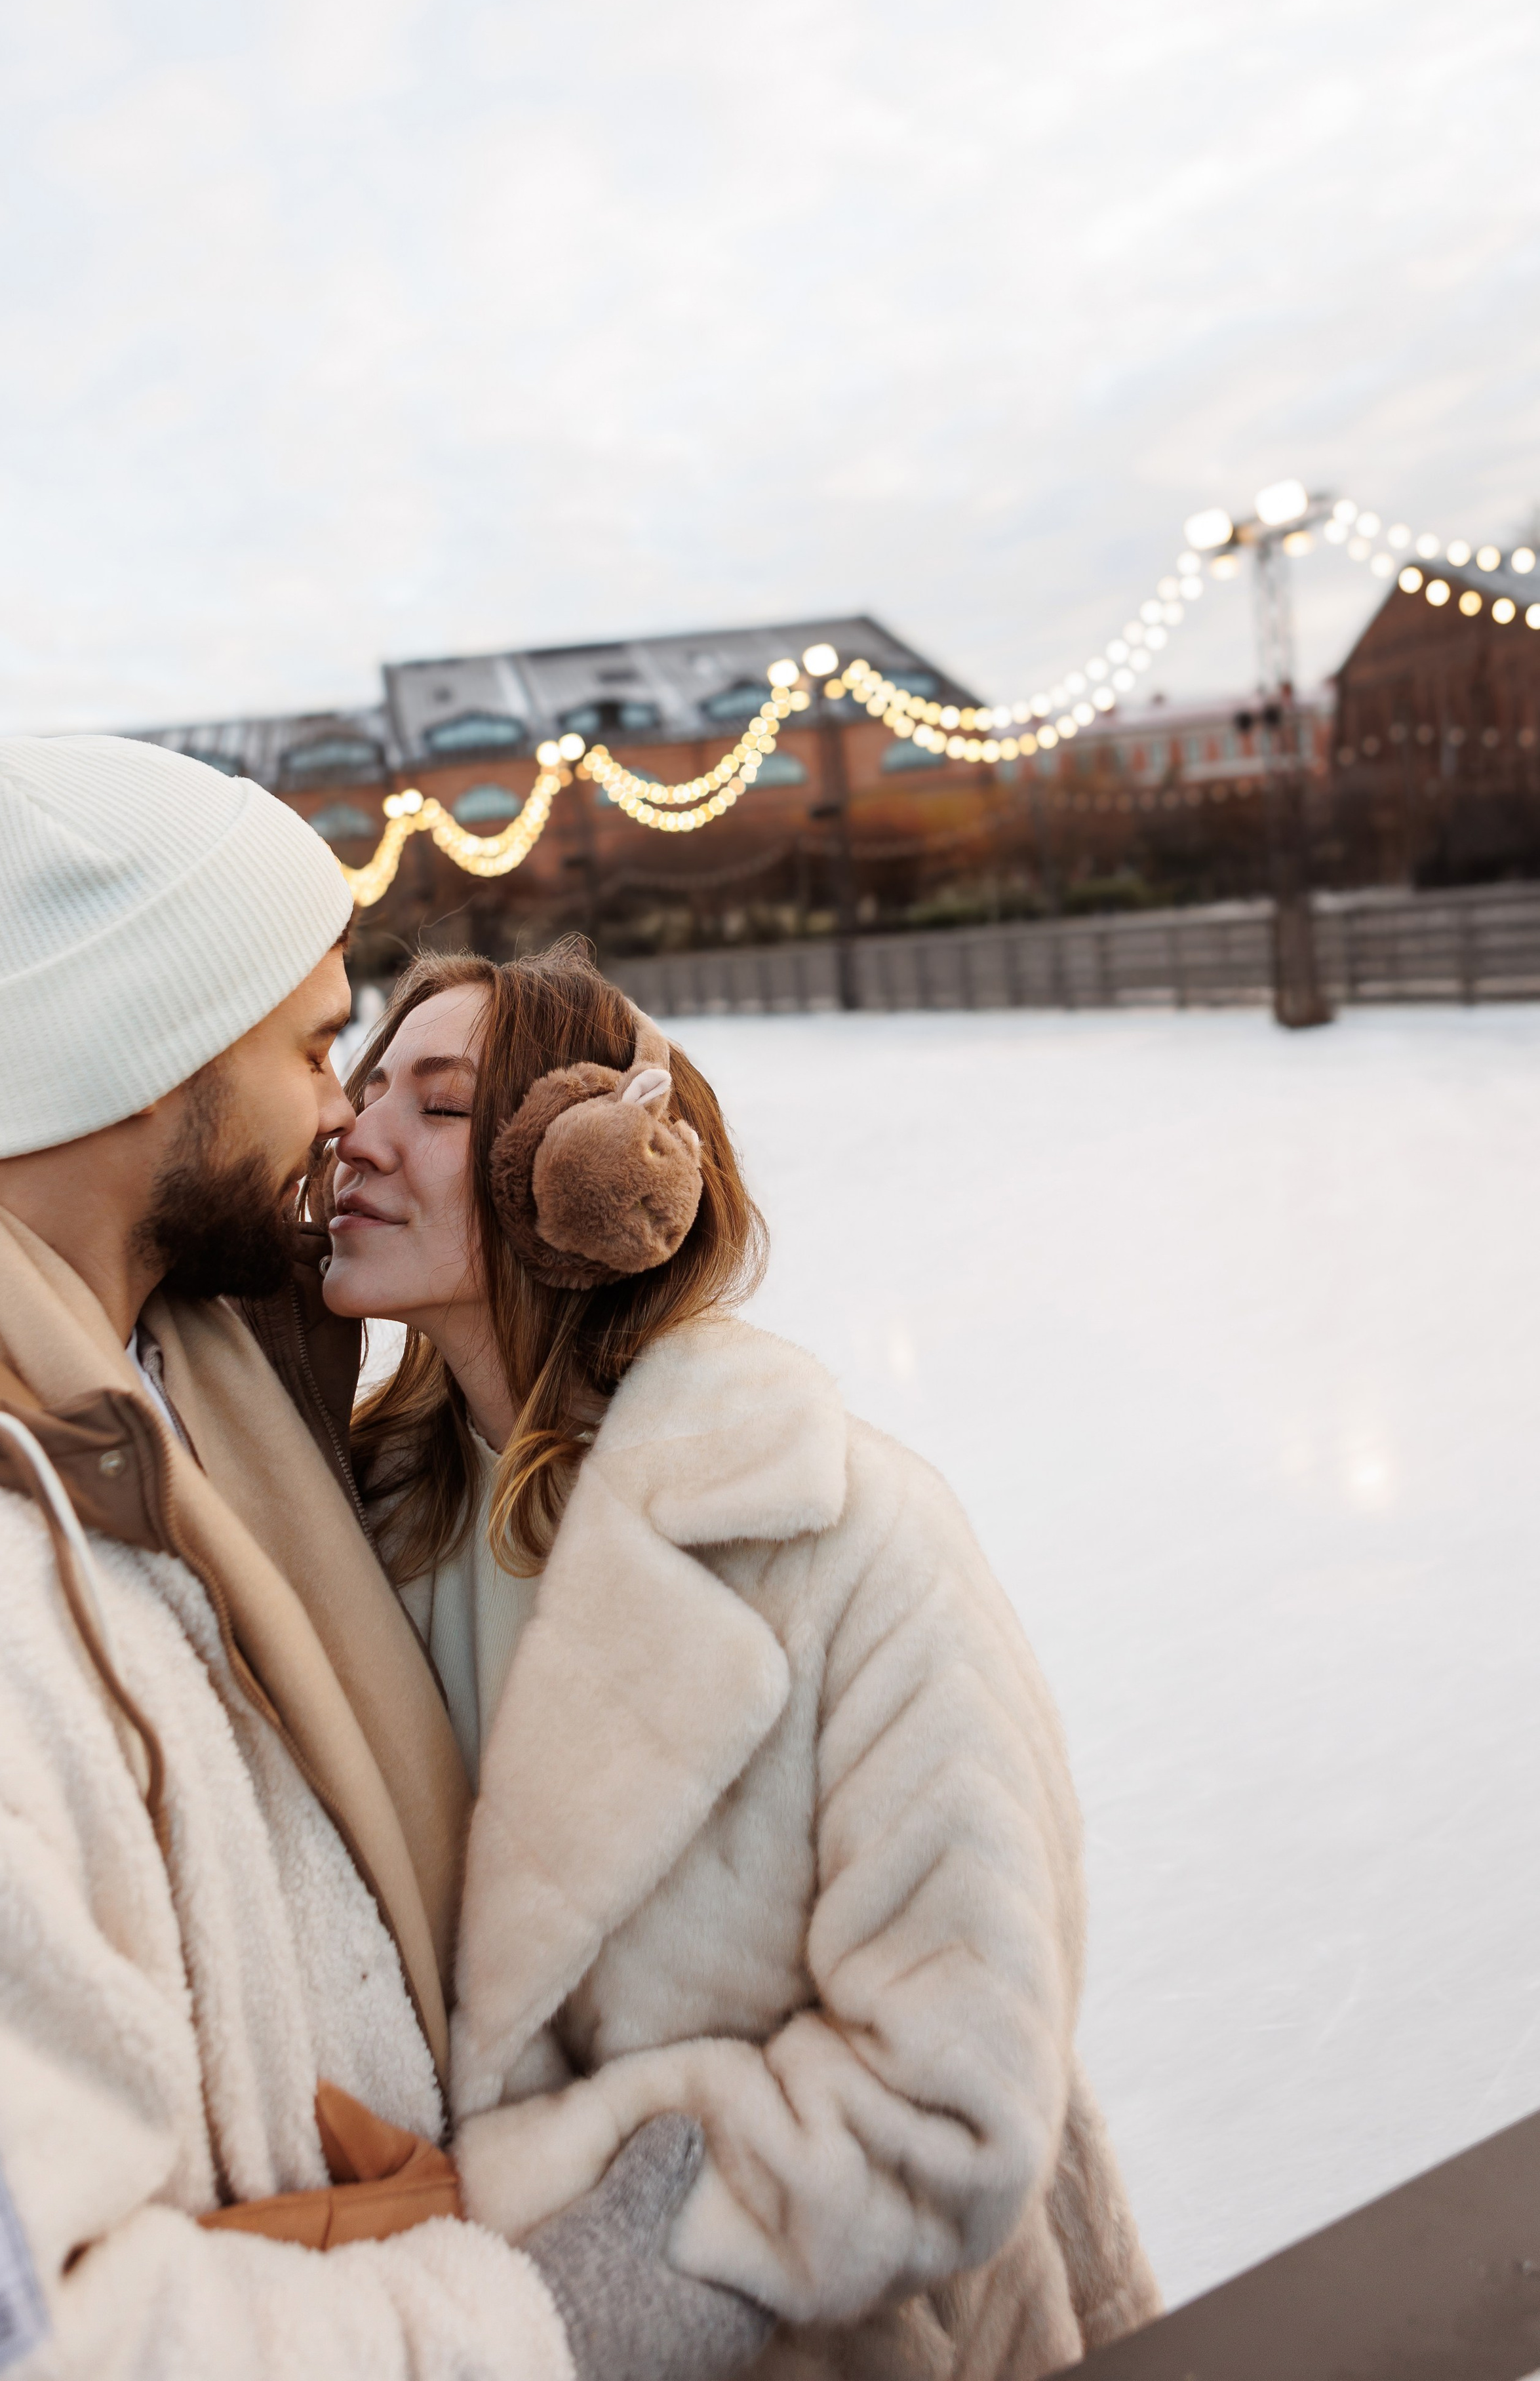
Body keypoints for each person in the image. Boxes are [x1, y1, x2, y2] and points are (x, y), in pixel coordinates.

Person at [0, 736, 770, 2381]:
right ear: (150, 1063)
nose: (337, 1116)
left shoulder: (194, 1357)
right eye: (312, 1048)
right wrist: (529, 2321)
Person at [319, 941, 1162, 2381]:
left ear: (574, 1173)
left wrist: (586, 2280)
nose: (357, 1134)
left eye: (441, 1107)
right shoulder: (360, 1539)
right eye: (362, 1086)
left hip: (844, 2340)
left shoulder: (837, 1537)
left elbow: (947, 2095)